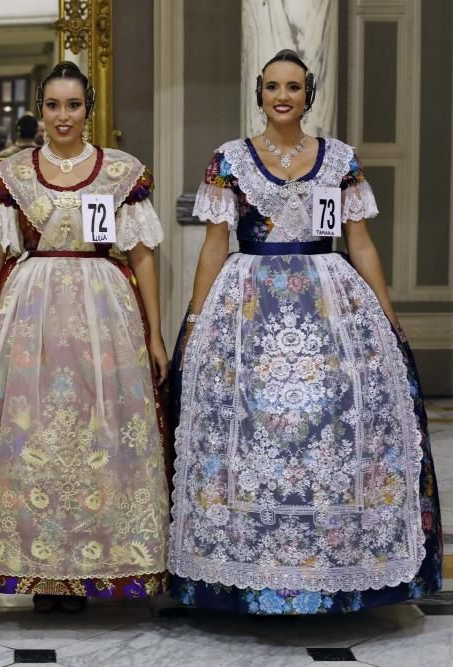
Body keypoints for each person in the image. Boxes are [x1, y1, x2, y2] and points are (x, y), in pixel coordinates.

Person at [168, 49, 442, 615]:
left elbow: (359, 242)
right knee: (254, 426)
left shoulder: (339, 158)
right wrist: (195, 323)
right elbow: (214, 247)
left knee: (329, 428)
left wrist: (387, 317)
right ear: (260, 95)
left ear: (308, 96)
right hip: (248, 303)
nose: (282, 96)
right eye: (272, 87)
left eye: (293, 87)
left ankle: (334, 564)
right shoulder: (229, 159)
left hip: (328, 300)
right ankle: (245, 567)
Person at [0, 61, 170, 613]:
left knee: (100, 438)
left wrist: (155, 333)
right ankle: (40, 570)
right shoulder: (13, 175)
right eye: (53, 105)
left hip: (106, 317)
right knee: (34, 440)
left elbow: (142, 258)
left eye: (73, 105)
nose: (63, 116)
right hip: (31, 314)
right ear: (40, 110)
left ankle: (99, 564)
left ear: (88, 109)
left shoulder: (121, 173)